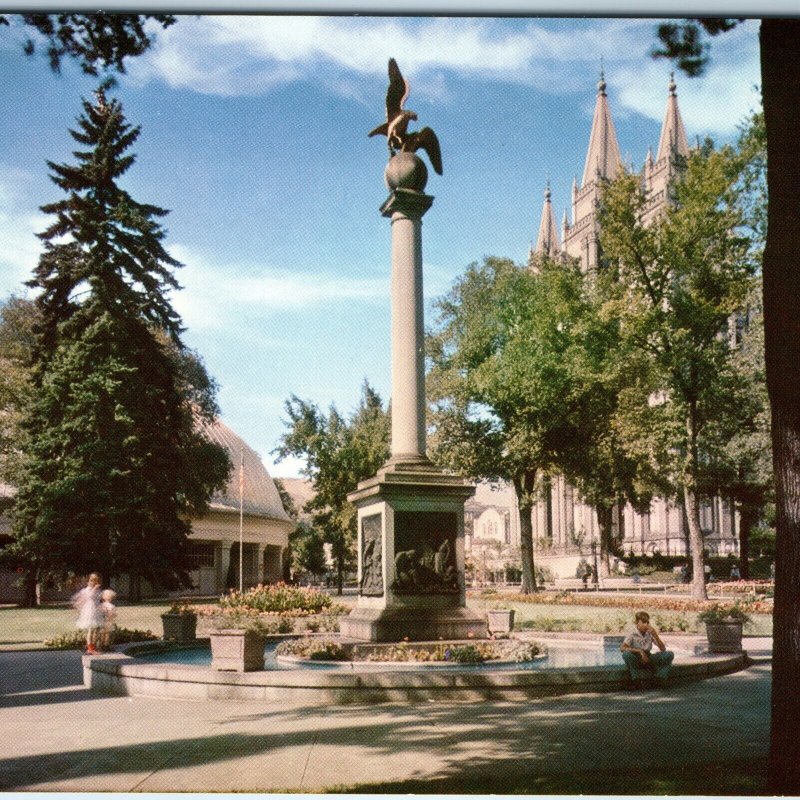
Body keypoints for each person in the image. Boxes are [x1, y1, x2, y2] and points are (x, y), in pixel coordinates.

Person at [620, 611, 674, 689]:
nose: (647, 625)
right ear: (637, 623)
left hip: (648, 658)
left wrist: (656, 636)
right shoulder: (632, 633)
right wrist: (640, 651)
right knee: (626, 655)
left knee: (669, 655)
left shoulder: (650, 633)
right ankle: (636, 680)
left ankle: (660, 678)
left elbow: (663, 649)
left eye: (647, 622)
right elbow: (622, 648)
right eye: (644, 622)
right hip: (637, 658)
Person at [73, 573, 102, 655]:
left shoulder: (97, 590)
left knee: (95, 630)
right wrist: (94, 589)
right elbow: (89, 596)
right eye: (92, 580)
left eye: (95, 580)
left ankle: (93, 647)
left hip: (96, 610)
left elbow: (98, 598)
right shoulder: (87, 590)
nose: (93, 582)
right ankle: (90, 648)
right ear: (88, 581)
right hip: (90, 610)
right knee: (90, 629)